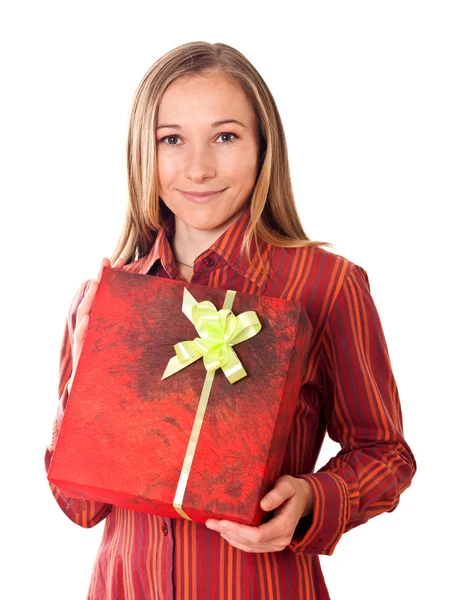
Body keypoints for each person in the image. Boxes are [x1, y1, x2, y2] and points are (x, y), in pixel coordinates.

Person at [44, 41, 417, 600]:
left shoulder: (326, 286)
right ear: (142, 154)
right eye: (172, 140)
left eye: (225, 136)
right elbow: (82, 506)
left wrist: (315, 498)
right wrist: (91, 365)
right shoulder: (102, 298)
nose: (198, 167)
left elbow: (387, 454)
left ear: (263, 147)